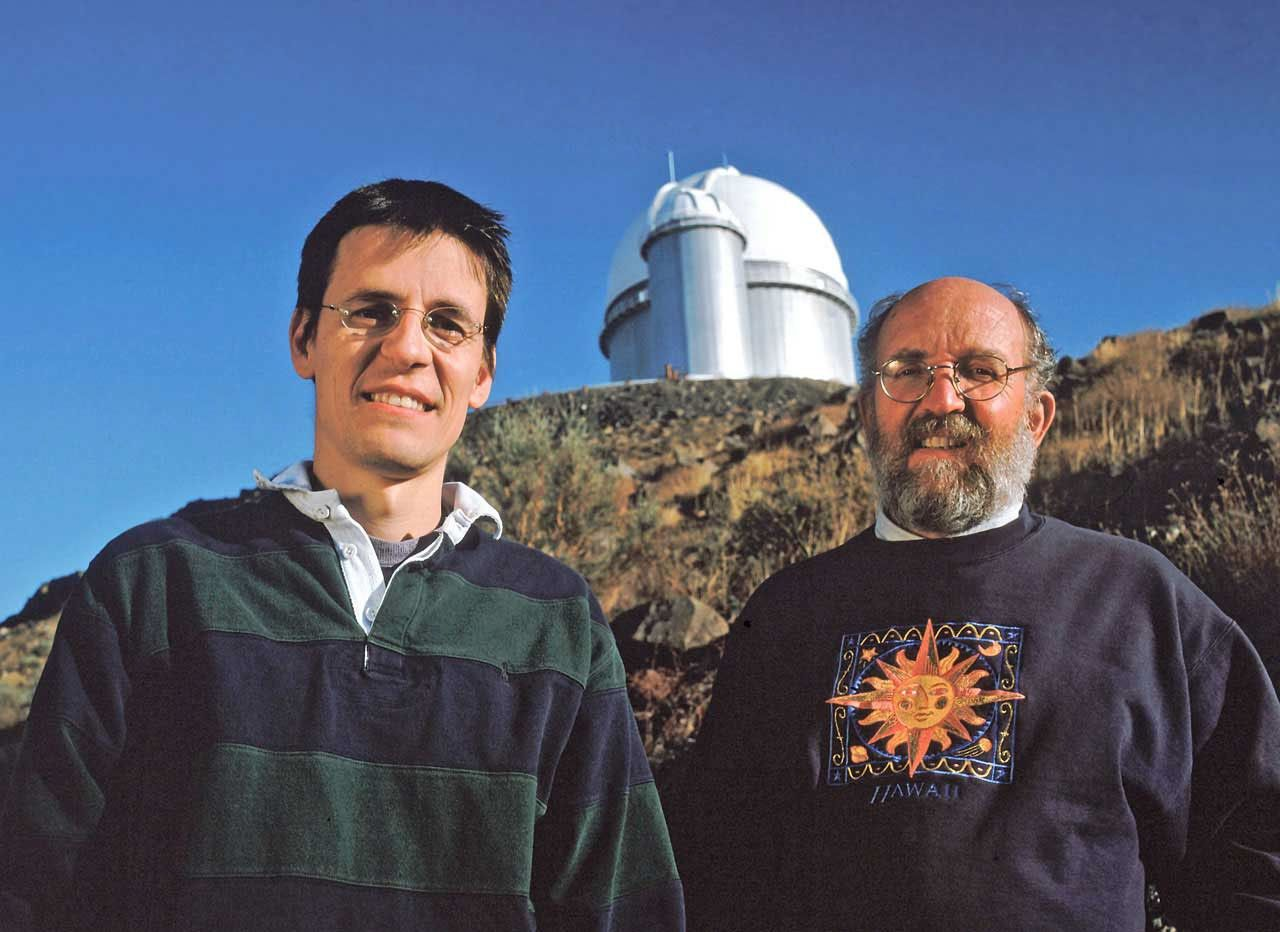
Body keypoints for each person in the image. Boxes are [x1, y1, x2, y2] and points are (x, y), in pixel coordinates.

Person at [0, 180, 685, 931]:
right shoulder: (151, 585)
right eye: (371, 310)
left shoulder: (558, 625)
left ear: (483, 374)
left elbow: (626, 911)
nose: (408, 348)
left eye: (448, 324)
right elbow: (36, 893)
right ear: (304, 339)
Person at [678, 277, 1280, 930]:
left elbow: (1258, 854)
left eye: (979, 371)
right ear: (866, 417)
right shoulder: (786, 614)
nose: (941, 399)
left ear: (1036, 417)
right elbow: (718, 868)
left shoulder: (1139, 601)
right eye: (907, 371)